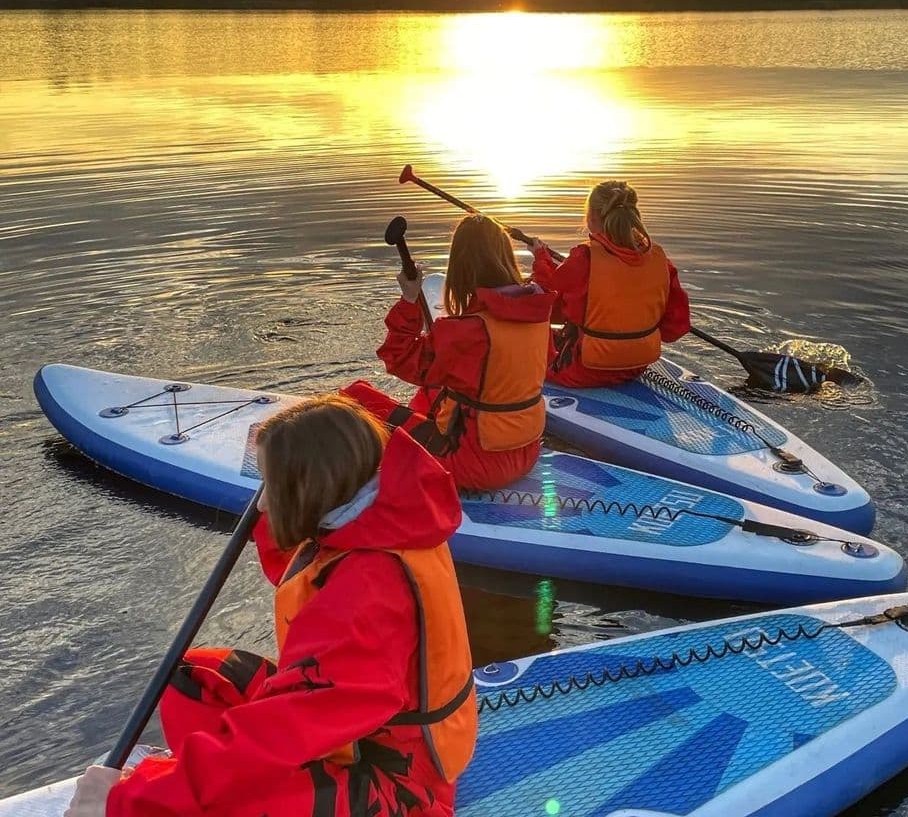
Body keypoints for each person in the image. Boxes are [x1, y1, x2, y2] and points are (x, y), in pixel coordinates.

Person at [65, 396, 476, 817]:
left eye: (270, 487)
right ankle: (195, 785)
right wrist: (291, 445)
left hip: (400, 787)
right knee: (193, 677)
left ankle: (189, 796)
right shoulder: (377, 516)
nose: (261, 504)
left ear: (310, 486)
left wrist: (125, 803)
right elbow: (288, 560)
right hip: (353, 737)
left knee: (234, 792)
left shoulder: (368, 588)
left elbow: (284, 730)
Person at [342, 214, 556, 492]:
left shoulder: (464, 330)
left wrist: (409, 299)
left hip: (471, 465)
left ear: (461, 267)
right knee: (431, 394)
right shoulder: (539, 314)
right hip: (527, 453)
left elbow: (398, 357)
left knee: (355, 396)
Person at [529, 180, 691, 388]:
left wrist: (541, 259)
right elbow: (674, 328)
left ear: (593, 217)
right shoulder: (659, 258)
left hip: (585, 369)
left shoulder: (584, 257)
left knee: (518, 338)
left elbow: (547, 306)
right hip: (637, 365)